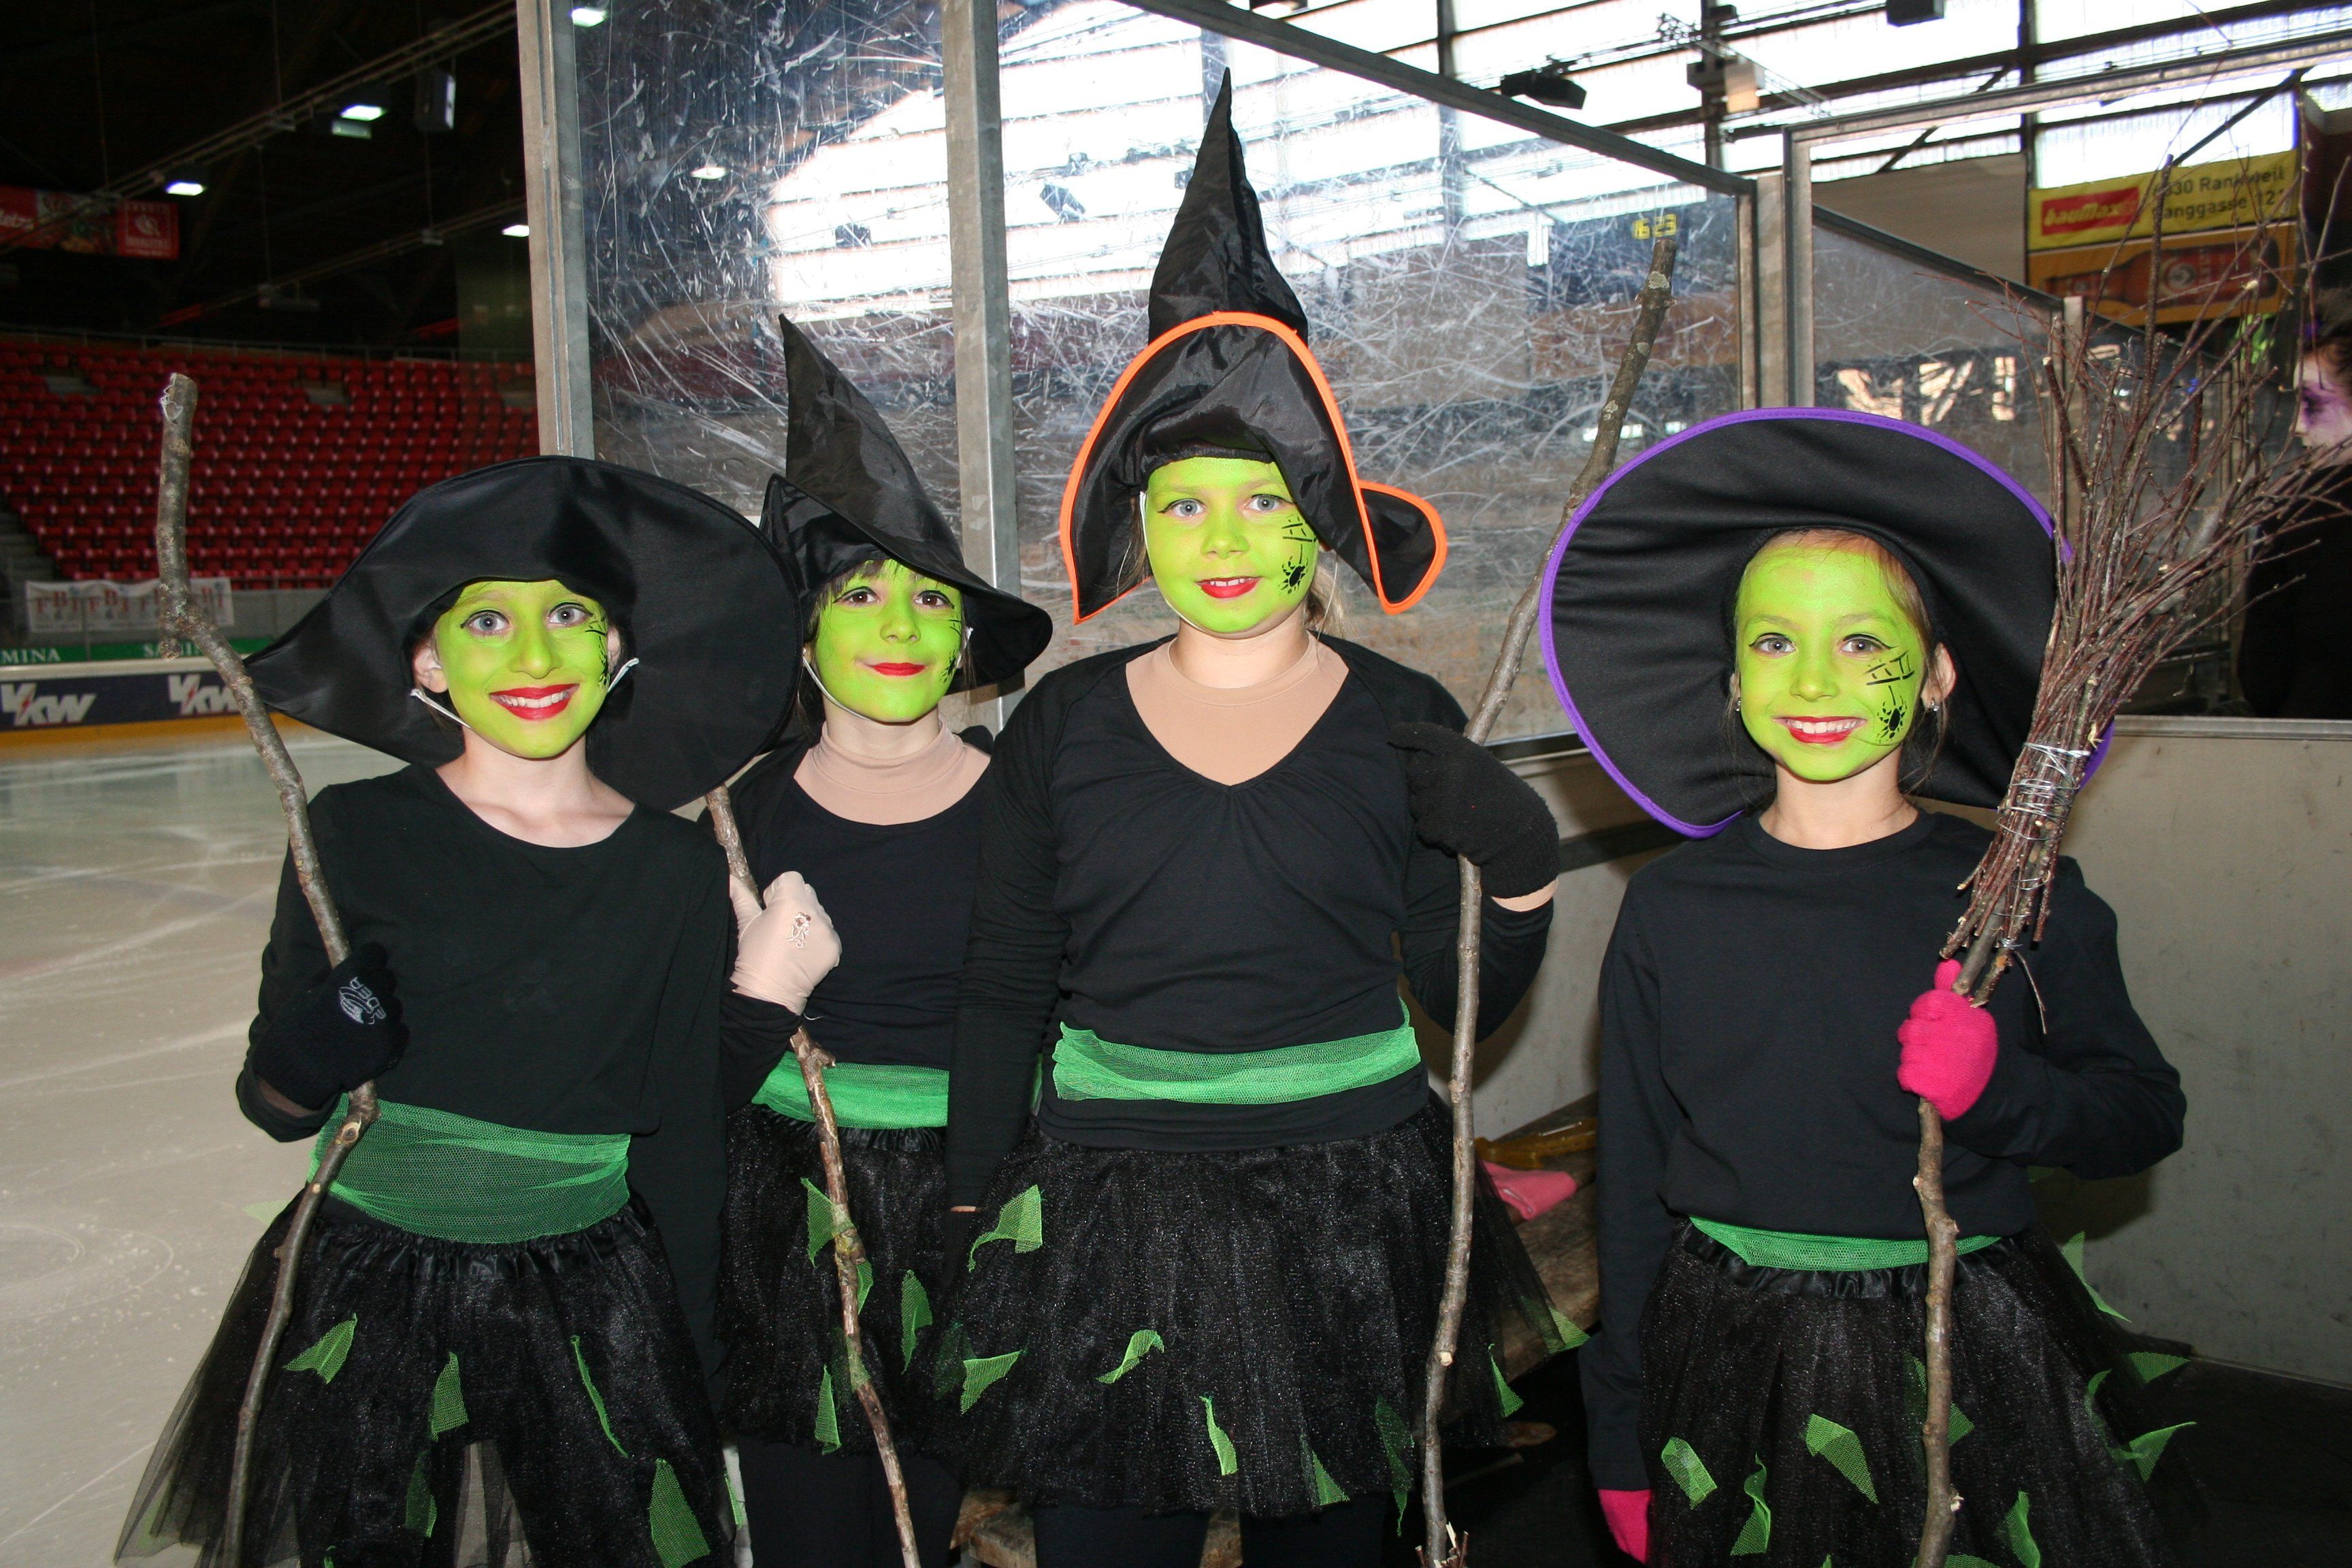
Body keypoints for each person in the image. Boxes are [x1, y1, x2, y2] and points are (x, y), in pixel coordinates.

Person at [934, 79, 1572, 1568]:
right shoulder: (1062, 723)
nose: (1221, 540)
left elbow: (1462, 1001)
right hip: (1105, 1201)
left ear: (1318, 517)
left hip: (1347, 1203)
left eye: (1262, 500)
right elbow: (1007, 972)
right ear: (1136, 525)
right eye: (1184, 504)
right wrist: (971, 1186)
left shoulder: (1402, 713)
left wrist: (1523, 870)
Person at [116, 457, 820, 1568]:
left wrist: (687, 1348)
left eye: (570, 618)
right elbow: (275, 1104)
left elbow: (680, 1128)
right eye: (488, 620)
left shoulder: (674, 868)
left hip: (593, 1288)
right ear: (429, 660)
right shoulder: (354, 831)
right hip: (372, 1280)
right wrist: (312, 1050)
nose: (535, 658)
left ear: (615, 649)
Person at [1539, 408, 2191, 1566]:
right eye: (1774, 641)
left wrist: (2001, 1092)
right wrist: (1622, 1428)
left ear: (1937, 675)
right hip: (1730, 1350)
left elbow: (2140, 1114)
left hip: (1960, 1351)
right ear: (1732, 679)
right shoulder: (1672, 906)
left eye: (1860, 641)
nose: (1813, 677)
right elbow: (1633, 1185)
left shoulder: (2017, 895)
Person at [715, 316, 1051, 1568]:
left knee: (926, 1524)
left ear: (965, 641)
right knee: (809, 1529)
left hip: (976, 1201)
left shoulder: (1033, 807)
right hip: (787, 1211)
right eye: (859, 593)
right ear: (804, 637)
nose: (899, 623)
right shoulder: (739, 815)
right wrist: (755, 1000)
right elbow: (678, 1058)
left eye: (929, 597)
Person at [2238, 288, 2352, 717]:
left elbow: (2263, 675)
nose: (2300, 426)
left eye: (2314, 404)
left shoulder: (2303, 513)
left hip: (2316, 742)